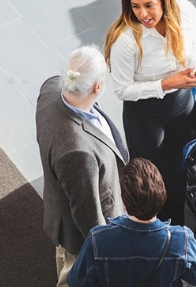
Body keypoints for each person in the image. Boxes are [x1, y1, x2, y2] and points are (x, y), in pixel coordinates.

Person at [104, 0, 196, 226]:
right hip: (145, 116)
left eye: (149, 5)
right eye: (135, 6)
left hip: (182, 103)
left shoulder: (185, 13)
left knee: (177, 173)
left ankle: (178, 228)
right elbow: (122, 90)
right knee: (150, 182)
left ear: (164, 1)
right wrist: (168, 83)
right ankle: (153, 230)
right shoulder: (126, 40)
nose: (142, 14)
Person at [36, 45, 129, 286]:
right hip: (77, 236)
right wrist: (105, 250)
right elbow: (86, 212)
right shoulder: (78, 152)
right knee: (73, 275)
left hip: (59, 202)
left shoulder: (50, 89)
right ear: (97, 87)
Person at [67, 157, 196, 286]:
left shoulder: (97, 240)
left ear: (123, 201)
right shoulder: (182, 240)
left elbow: (77, 282)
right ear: (162, 194)